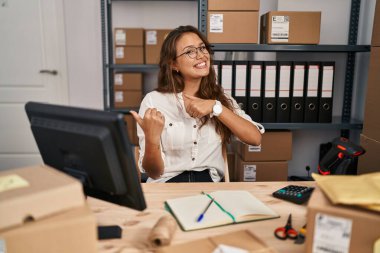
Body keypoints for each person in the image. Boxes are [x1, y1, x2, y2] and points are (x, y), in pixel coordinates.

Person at [130, 25, 264, 183]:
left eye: (202, 48)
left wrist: (216, 108)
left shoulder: (219, 97)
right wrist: (152, 139)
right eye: (190, 51)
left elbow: (255, 139)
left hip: (208, 185)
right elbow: (154, 173)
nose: (201, 55)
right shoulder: (154, 101)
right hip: (167, 185)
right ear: (174, 64)